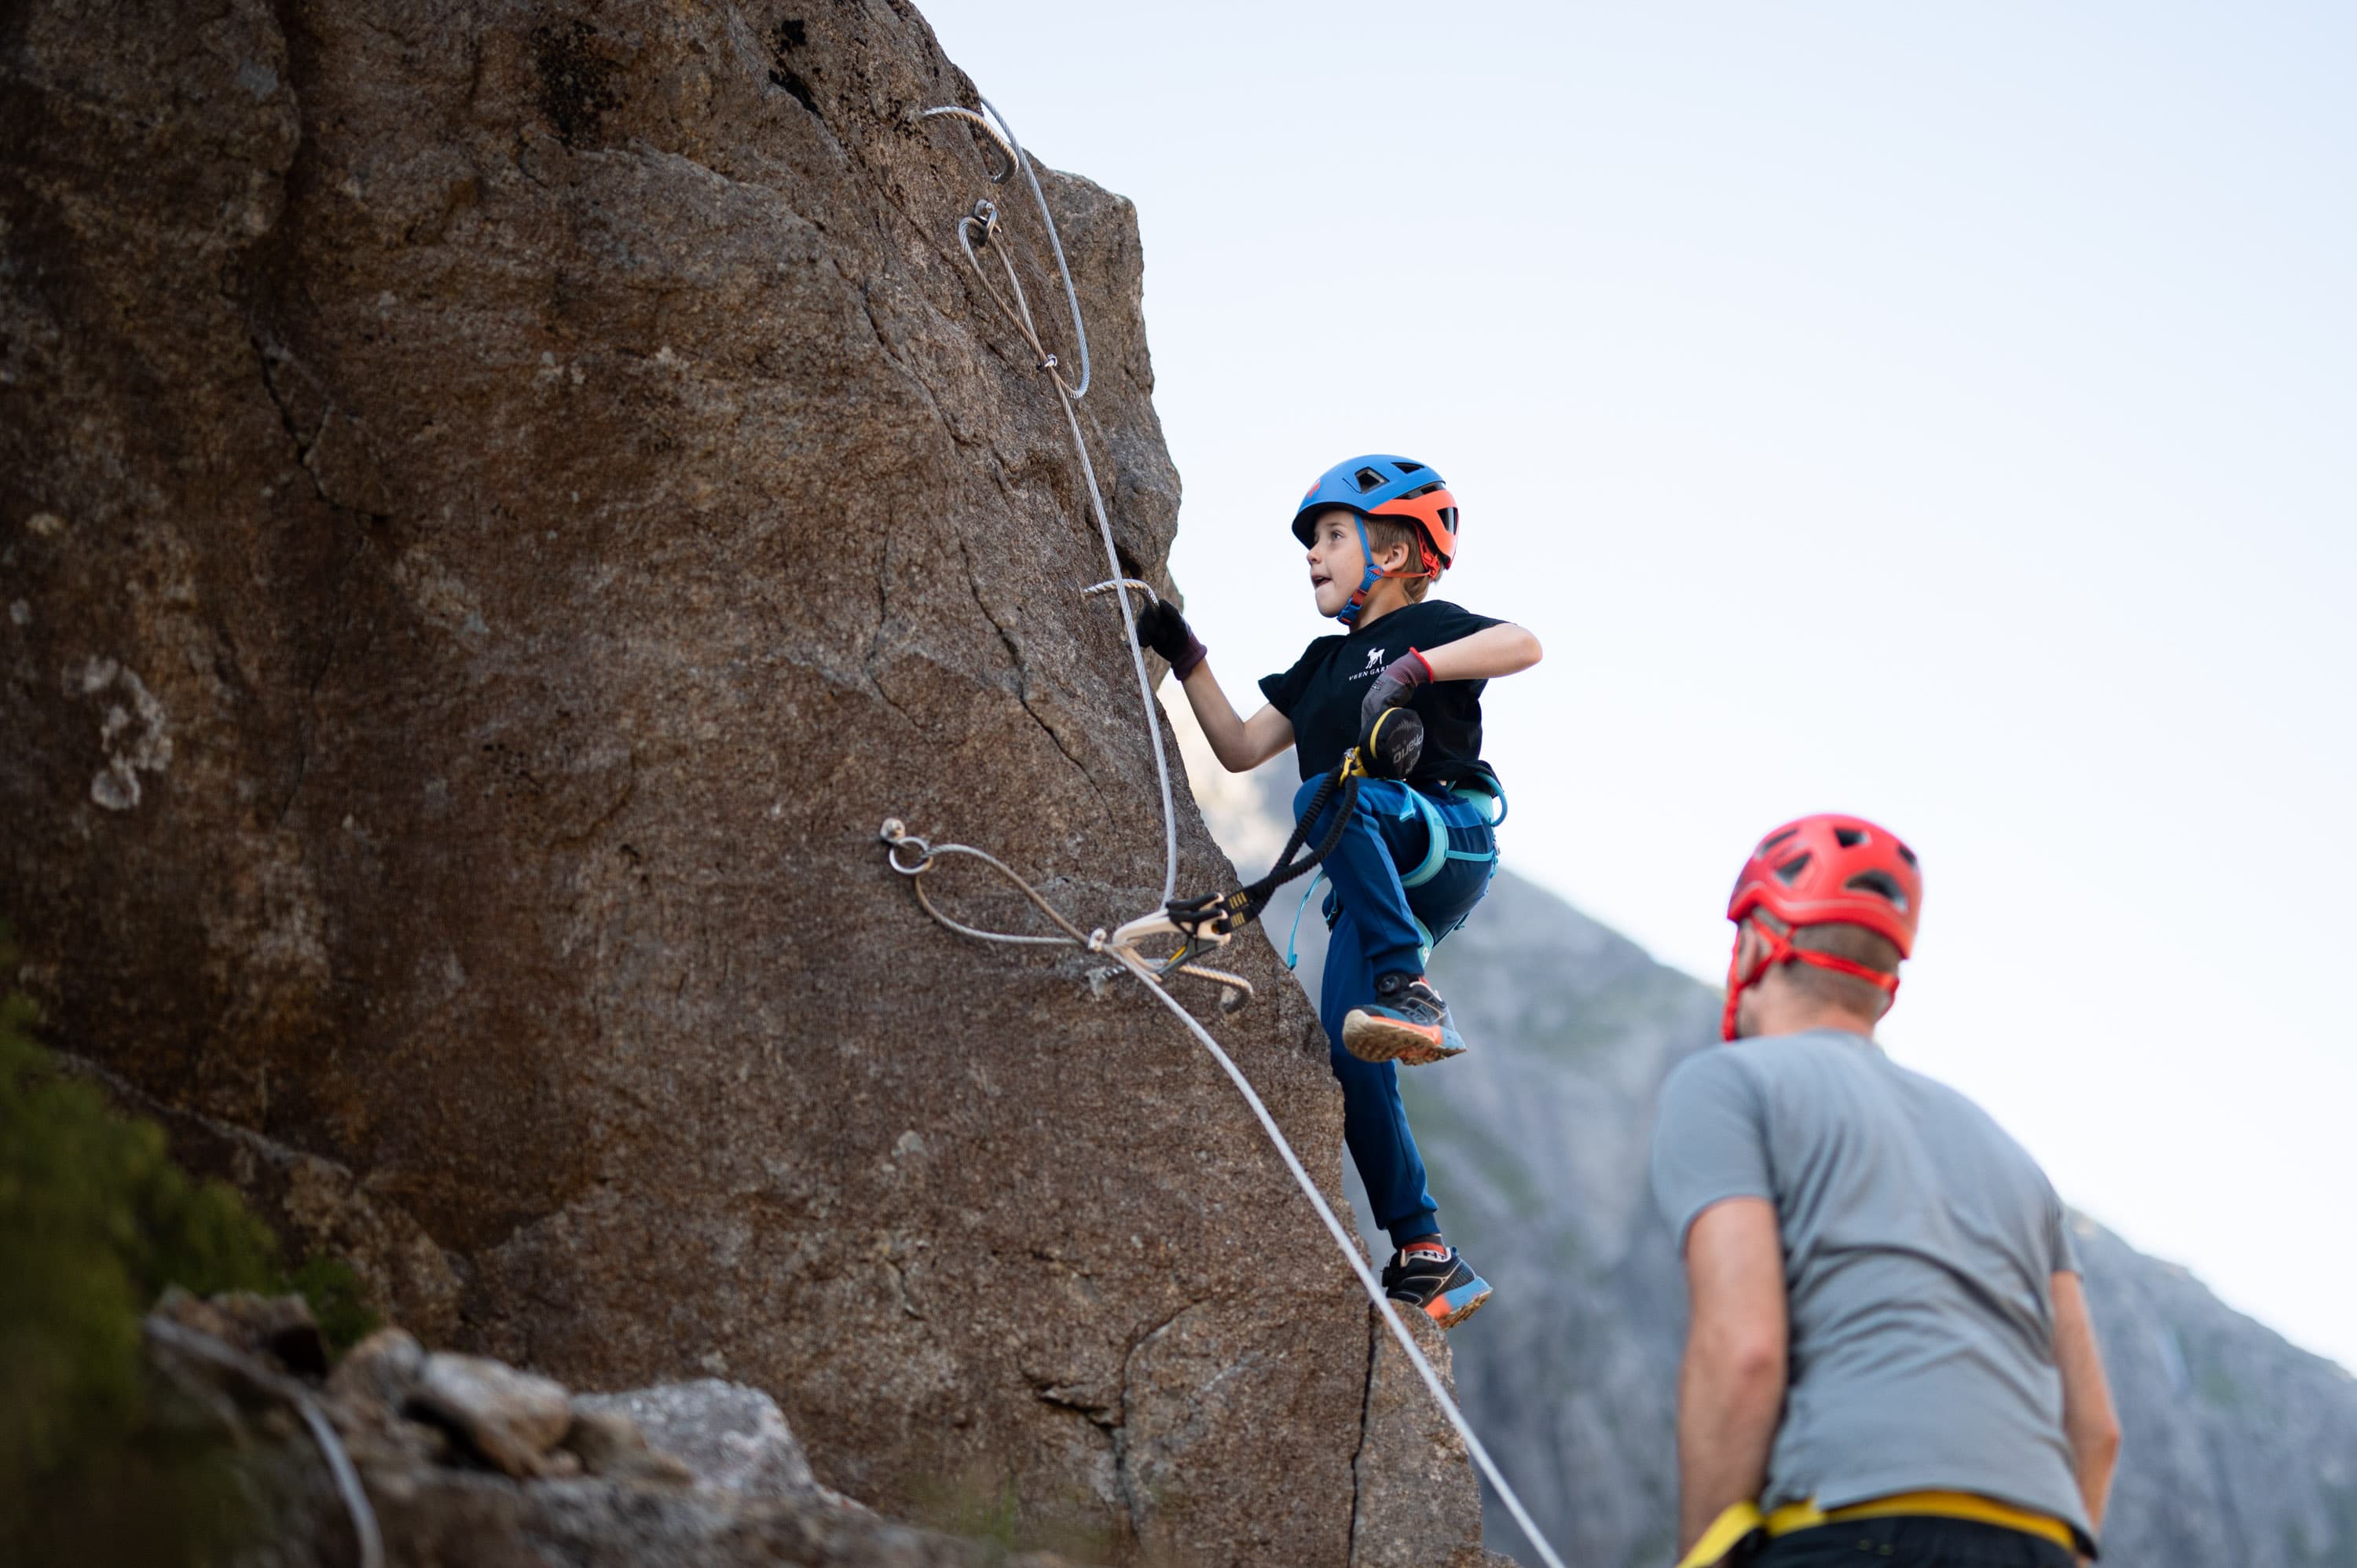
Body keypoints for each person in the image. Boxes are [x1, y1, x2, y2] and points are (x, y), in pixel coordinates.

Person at [1650, 815, 2122, 1567]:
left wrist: (1705, 1553)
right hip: (2044, 1540)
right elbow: (2096, 1431)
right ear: (1886, 987)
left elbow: (1744, 1352)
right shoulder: (2011, 1154)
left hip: (1851, 1531)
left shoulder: (1727, 1085)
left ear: (1756, 943)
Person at [1137, 453, 1541, 1328]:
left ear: (1392, 552)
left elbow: (1523, 644)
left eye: (1329, 537)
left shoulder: (1432, 625)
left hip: (1443, 831)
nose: (1311, 554)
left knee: (1327, 791)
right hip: (1373, 872)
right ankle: (1426, 1252)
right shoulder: (1322, 665)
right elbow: (1242, 748)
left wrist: (1415, 672)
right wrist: (1186, 654)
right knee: (1349, 1056)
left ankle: (1413, 988)